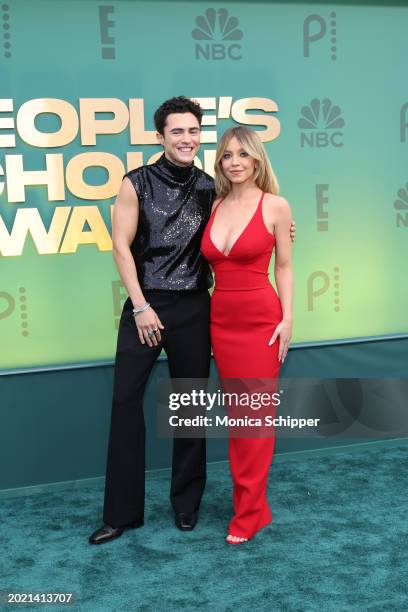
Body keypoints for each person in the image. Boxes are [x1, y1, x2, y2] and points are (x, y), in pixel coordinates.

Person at [89, 97, 295, 545]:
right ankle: (120, 514)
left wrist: (283, 227)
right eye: (176, 131)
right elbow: (121, 248)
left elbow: (250, 224)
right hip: (145, 305)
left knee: (188, 408)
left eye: (193, 131)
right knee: (126, 404)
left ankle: (187, 505)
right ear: (160, 136)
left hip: (196, 308)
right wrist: (141, 306)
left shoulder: (211, 189)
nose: (186, 139)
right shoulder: (135, 183)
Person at [201, 126, 293, 544]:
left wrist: (288, 319)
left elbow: (285, 267)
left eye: (242, 154)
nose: (234, 161)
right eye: (226, 155)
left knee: (253, 419)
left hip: (260, 321)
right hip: (221, 320)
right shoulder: (214, 204)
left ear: (257, 159)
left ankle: (250, 514)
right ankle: (256, 506)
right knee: (238, 419)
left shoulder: (276, 206)